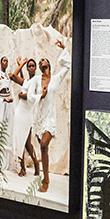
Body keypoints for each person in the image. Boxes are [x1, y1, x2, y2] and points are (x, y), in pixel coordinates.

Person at [28, 39, 70, 192]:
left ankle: (45, 181)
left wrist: (64, 48)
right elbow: (29, 95)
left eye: (43, 61)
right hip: (39, 117)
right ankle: (46, 177)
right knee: (43, 150)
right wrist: (41, 96)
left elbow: (67, 65)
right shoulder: (36, 80)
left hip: (50, 118)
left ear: (49, 64)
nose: (41, 62)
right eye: (40, 62)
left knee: (44, 144)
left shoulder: (56, 79)